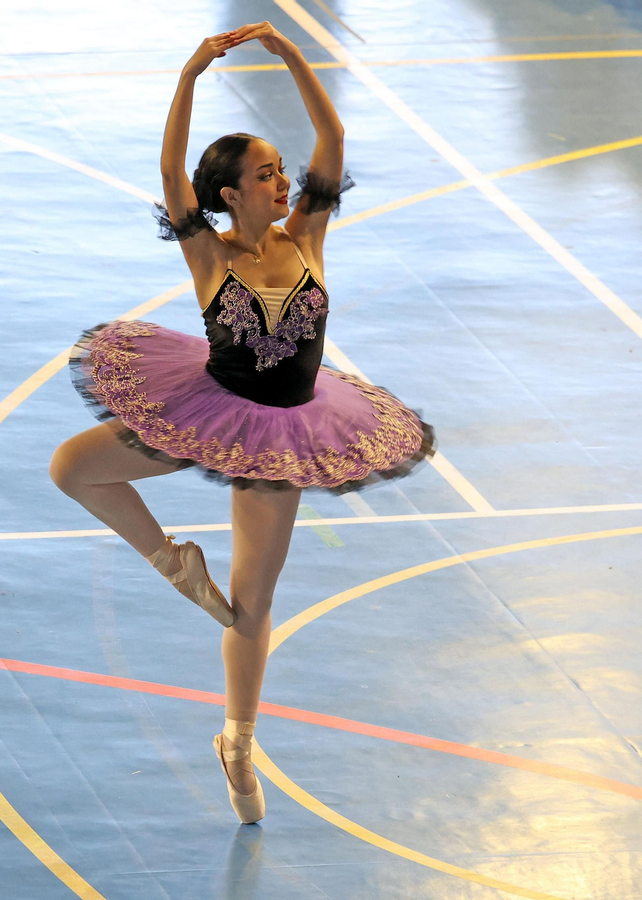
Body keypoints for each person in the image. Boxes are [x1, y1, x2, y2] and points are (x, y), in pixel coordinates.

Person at [49, 22, 434, 824]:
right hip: (208, 410)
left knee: (253, 603)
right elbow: (168, 172)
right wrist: (191, 72)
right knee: (73, 467)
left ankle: (238, 741)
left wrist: (293, 55)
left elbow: (331, 134)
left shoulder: (308, 237)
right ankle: (171, 562)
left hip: (289, 429)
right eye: (267, 174)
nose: (284, 182)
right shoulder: (210, 258)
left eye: (283, 171)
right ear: (230, 195)